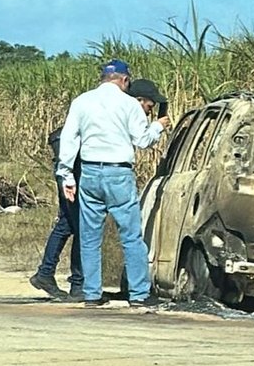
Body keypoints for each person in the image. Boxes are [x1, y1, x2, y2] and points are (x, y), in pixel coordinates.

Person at [57, 60, 170, 307]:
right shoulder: (129, 104)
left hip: (89, 171)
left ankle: (92, 293)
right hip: (118, 172)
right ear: (124, 80)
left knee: (89, 237)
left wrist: (66, 174)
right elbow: (141, 140)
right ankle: (139, 294)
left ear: (104, 77)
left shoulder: (82, 101)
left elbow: (69, 138)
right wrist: (157, 127)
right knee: (130, 235)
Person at [28, 127, 83, 301]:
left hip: (65, 172)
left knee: (66, 224)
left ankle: (45, 273)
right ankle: (78, 284)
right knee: (82, 228)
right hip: (72, 174)